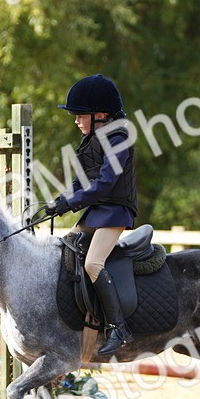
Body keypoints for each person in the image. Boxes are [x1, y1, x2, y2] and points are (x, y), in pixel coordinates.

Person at [45, 73, 138, 356]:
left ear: (100, 115)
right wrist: (60, 201)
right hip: (98, 211)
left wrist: (71, 203)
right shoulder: (91, 140)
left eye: (80, 115)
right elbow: (81, 181)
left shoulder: (119, 138)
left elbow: (105, 183)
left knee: (93, 264)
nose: (76, 121)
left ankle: (119, 328)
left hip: (116, 212)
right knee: (66, 251)